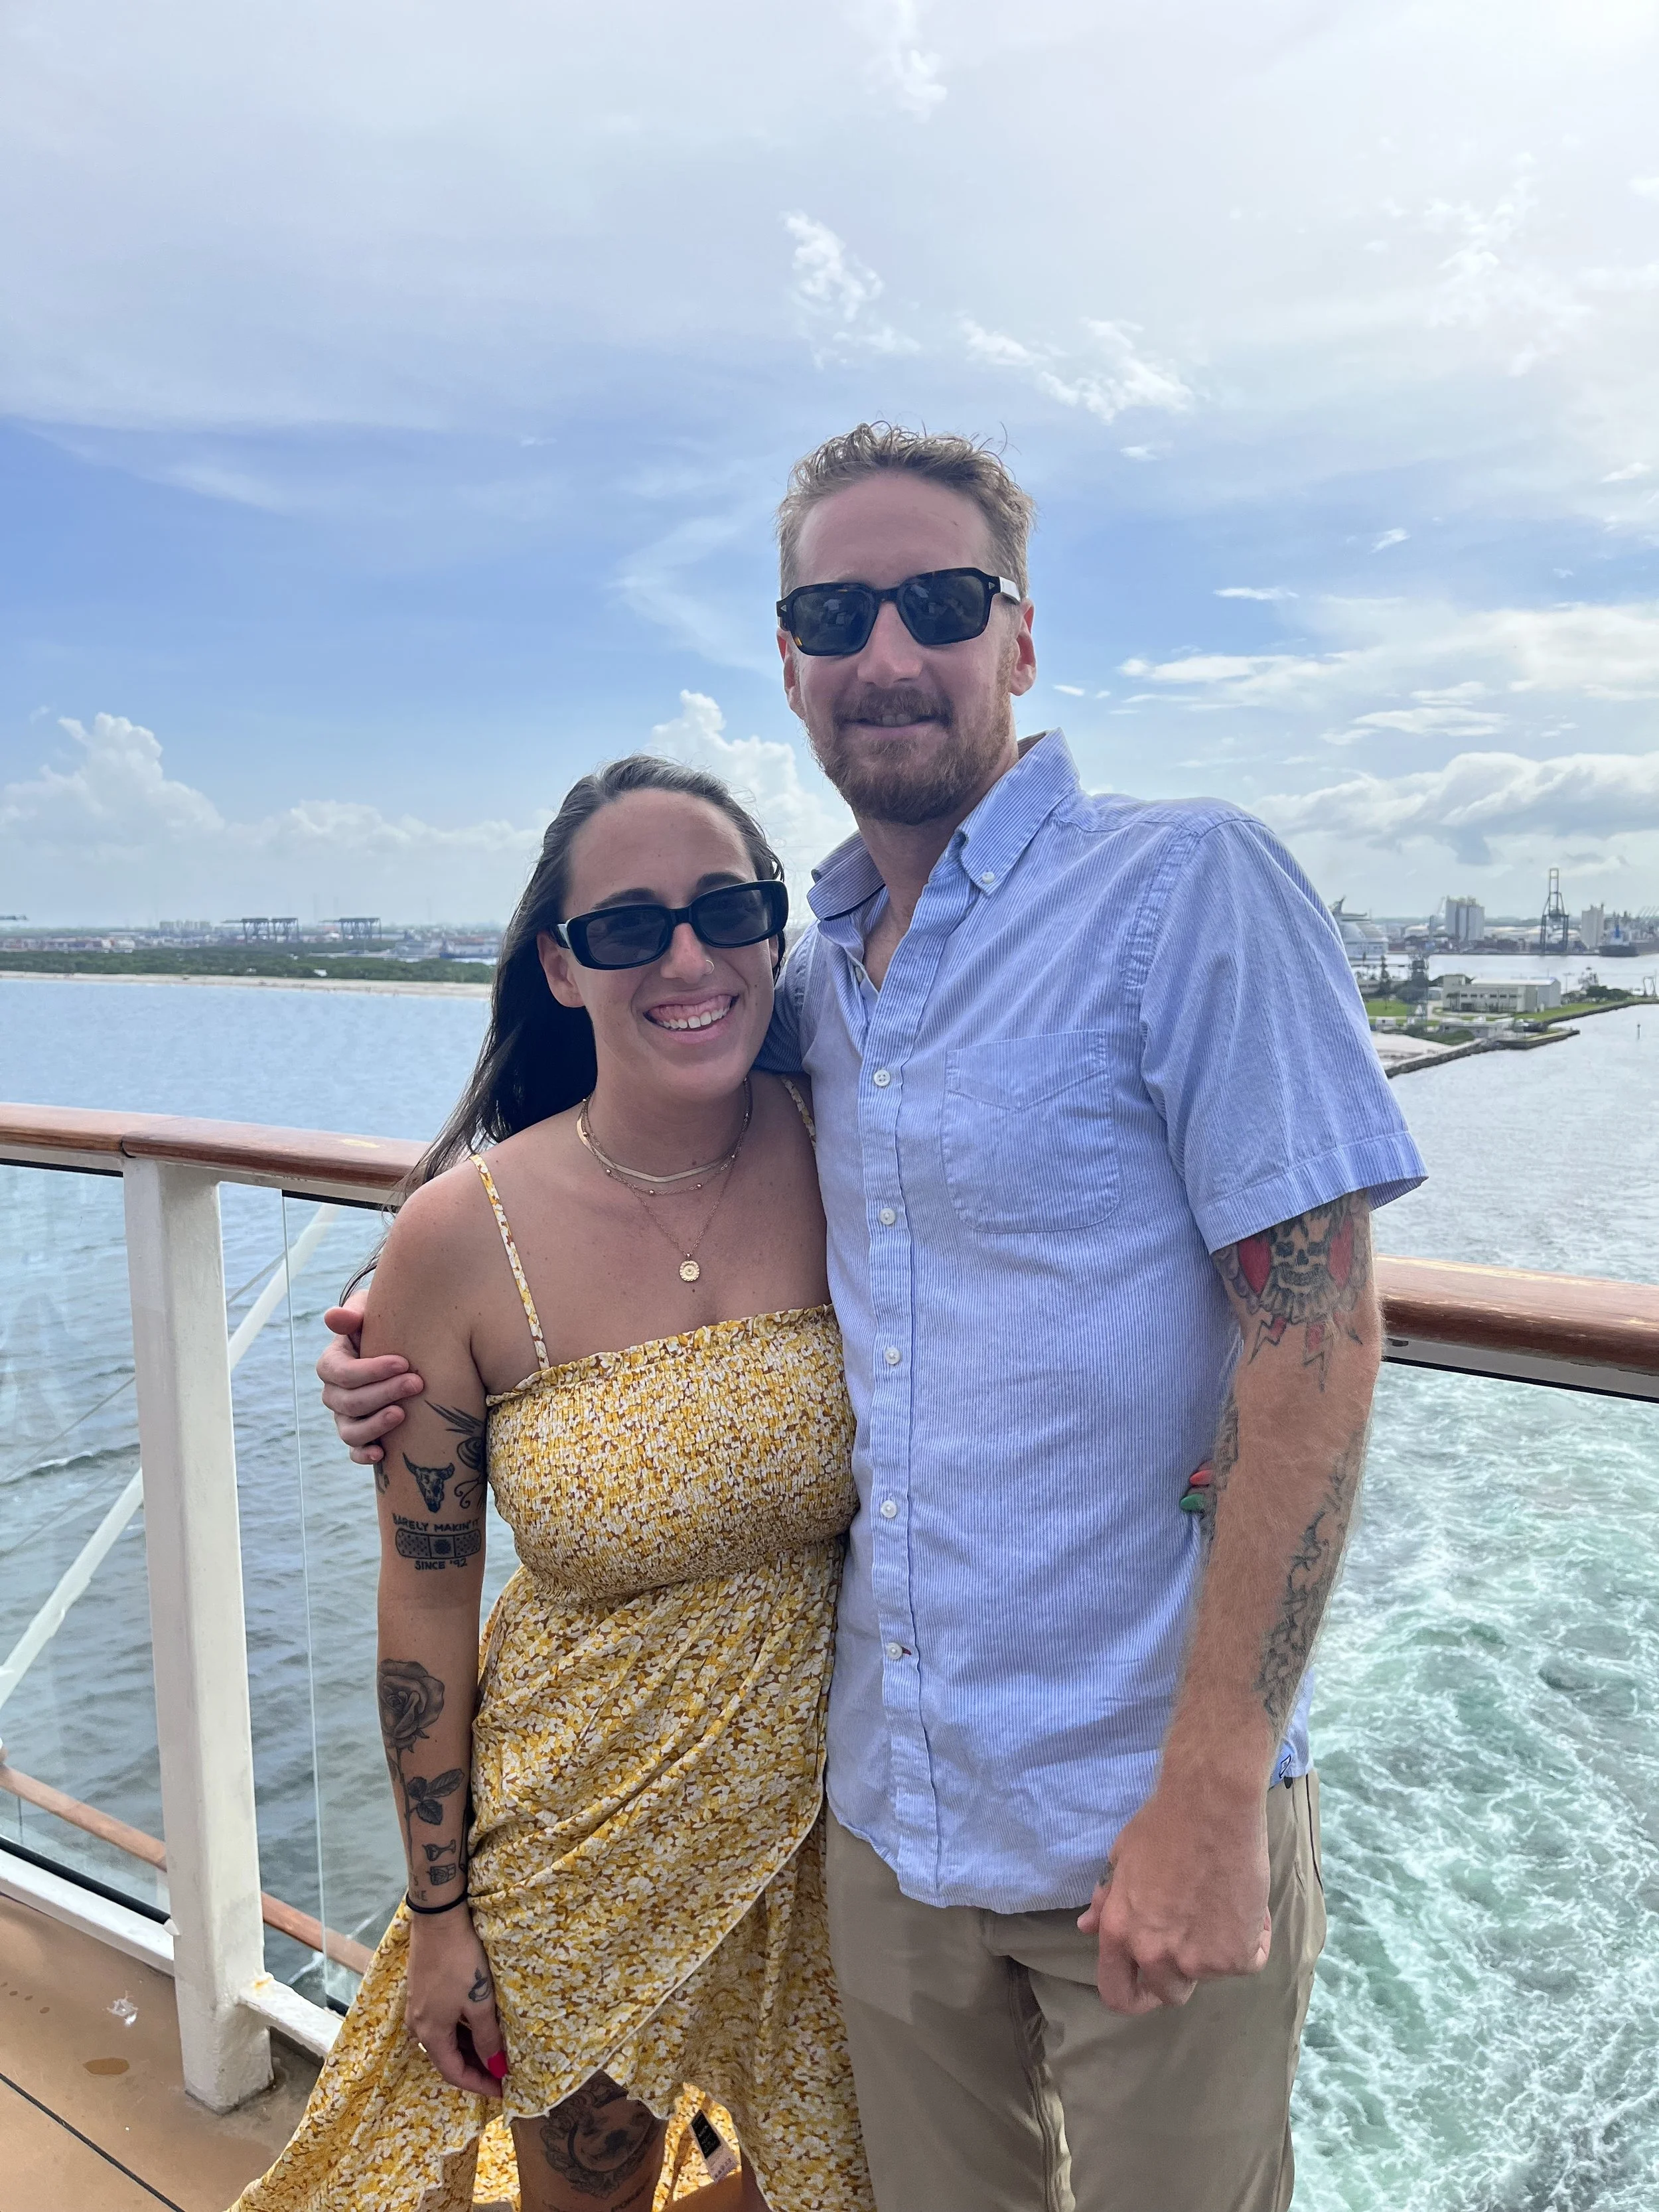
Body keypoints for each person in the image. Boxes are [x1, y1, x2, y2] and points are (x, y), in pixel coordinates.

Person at [323, 424, 1427, 2212]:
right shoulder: (813, 973)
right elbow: (610, 1147)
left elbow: (1317, 1339)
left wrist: (1216, 1797)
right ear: (788, 658)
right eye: (838, 610)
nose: (888, 652)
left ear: (1020, 633)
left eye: (938, 599)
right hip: (888, 1829)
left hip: (1131, 1811)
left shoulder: (1183, 891)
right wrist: (394, 1331)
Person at [240, 756, 873, 2212]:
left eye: (727, 908)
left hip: (839, 1828)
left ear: (777, 932)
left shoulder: (853, 1139)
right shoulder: (464, 1237)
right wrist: (441, 1911)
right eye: (627, 926)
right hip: (585, 1830)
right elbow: (423, 1596)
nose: (688, 956)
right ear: (559, 962)